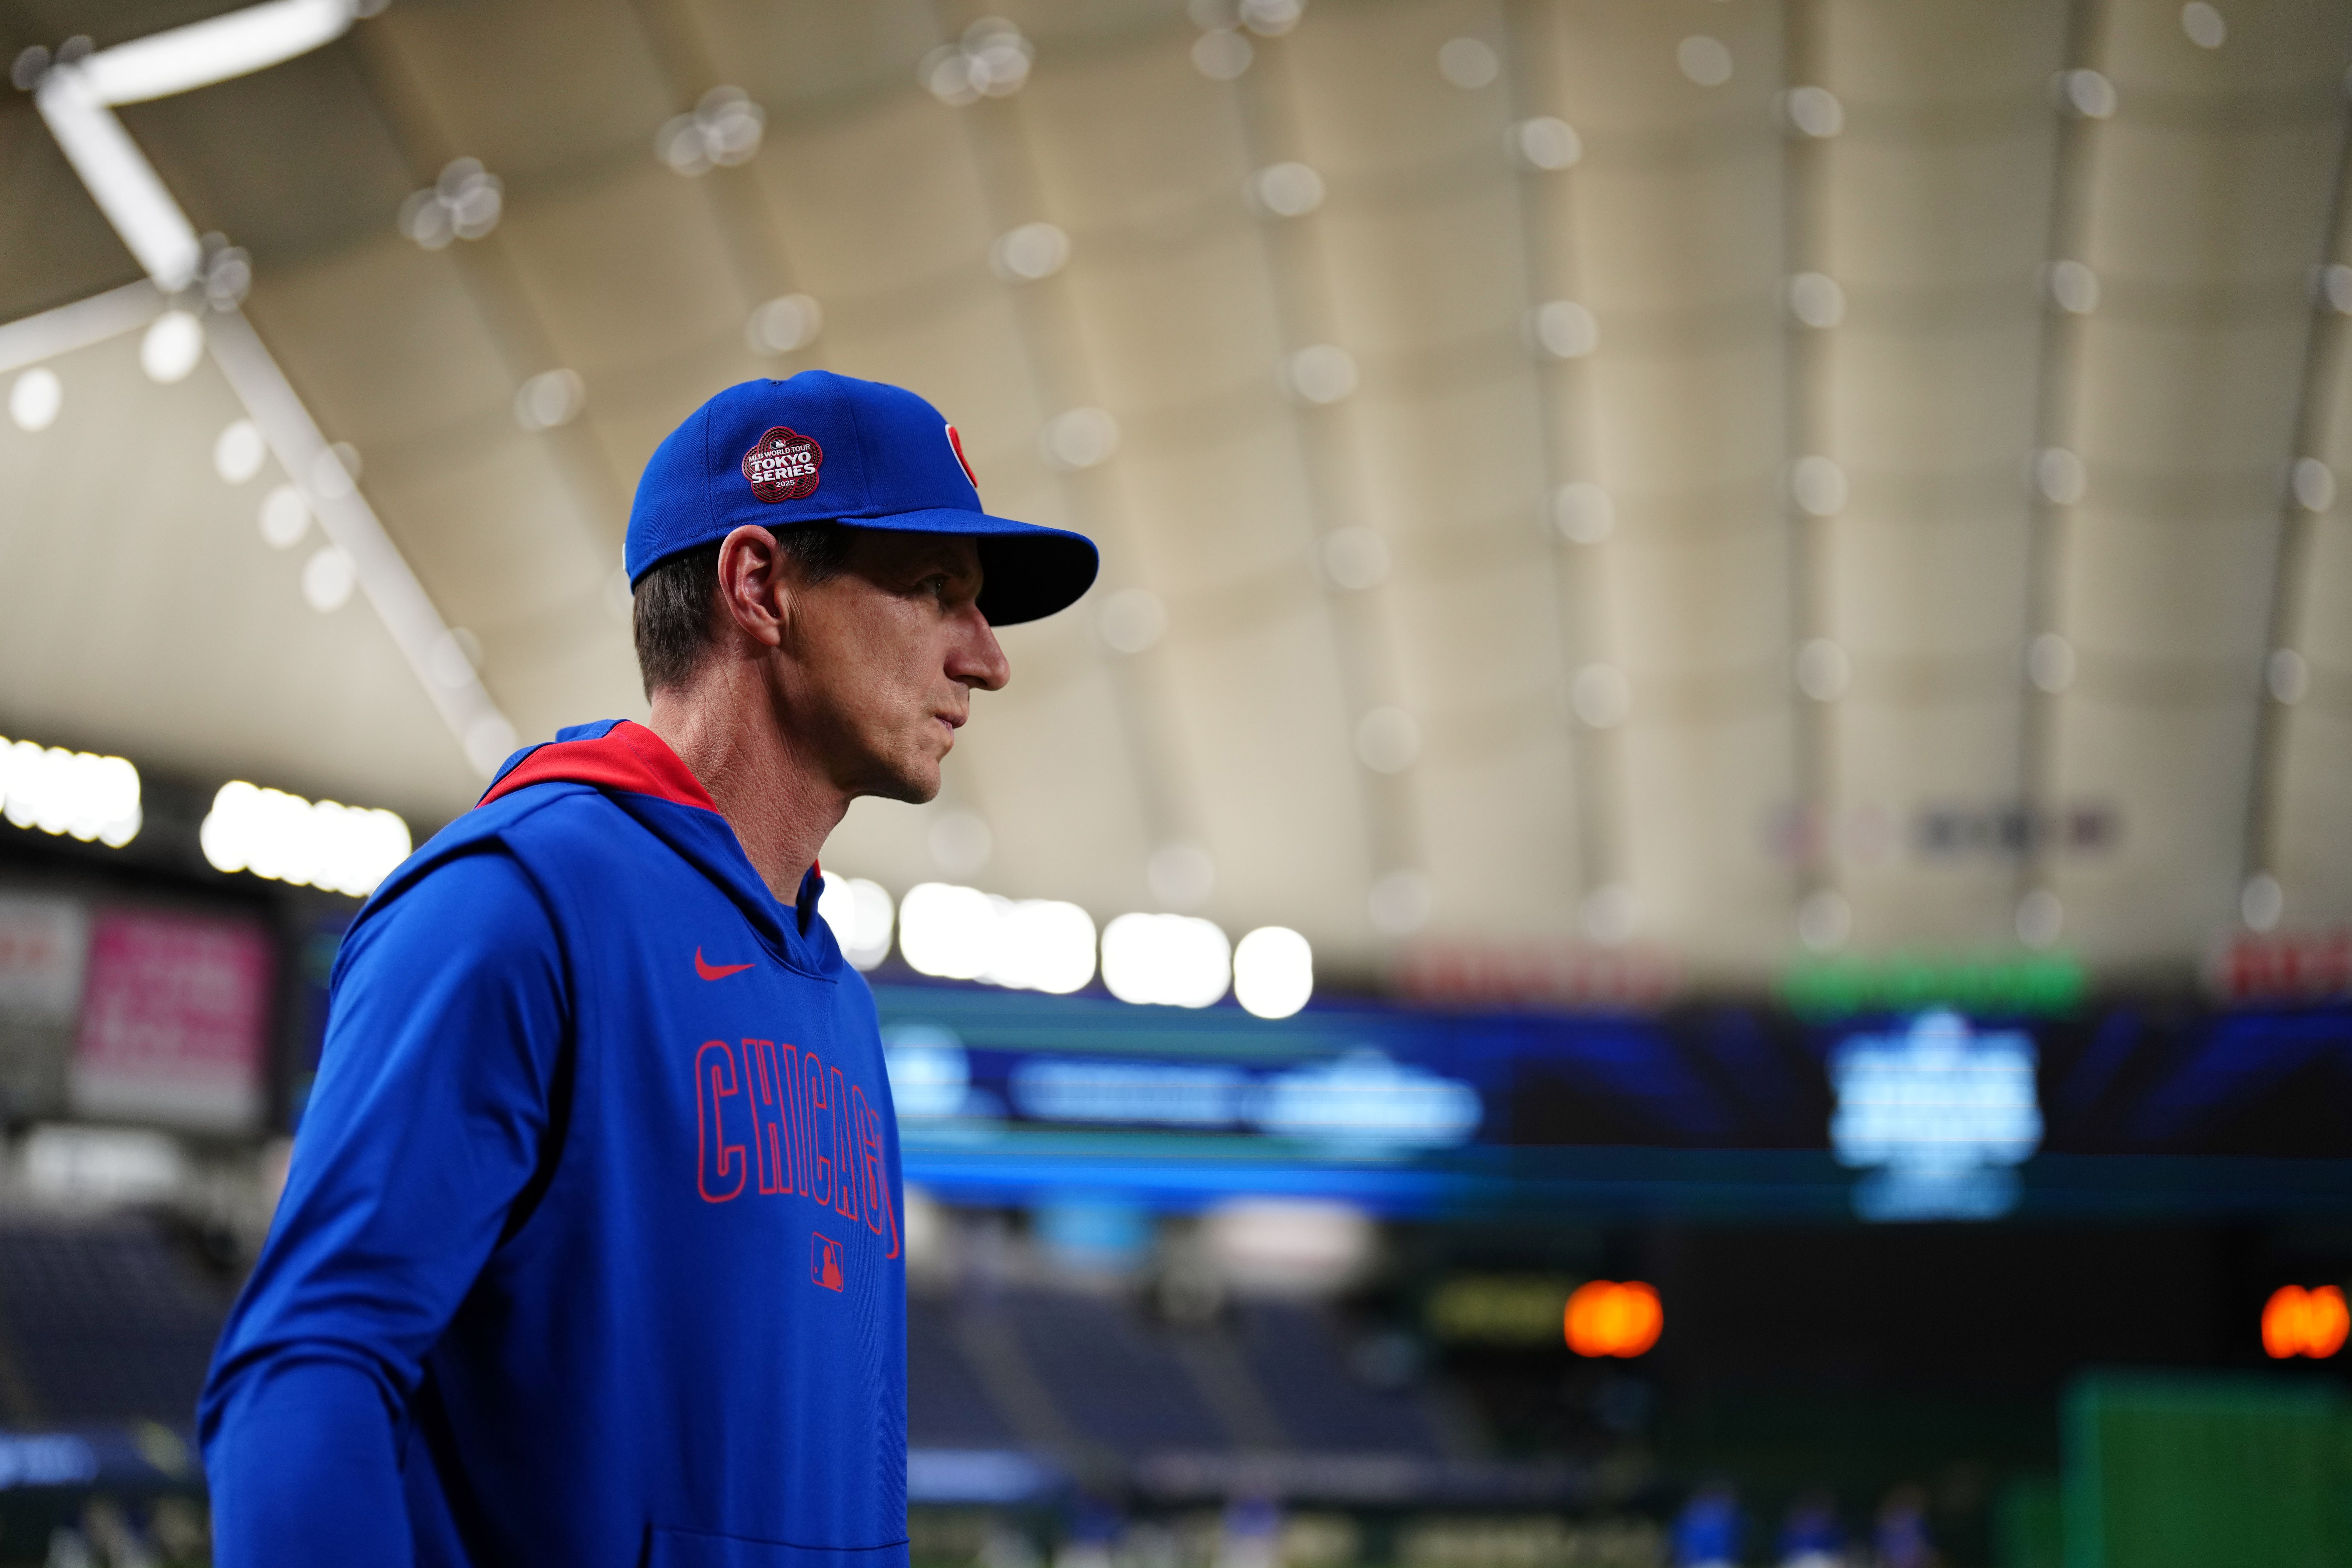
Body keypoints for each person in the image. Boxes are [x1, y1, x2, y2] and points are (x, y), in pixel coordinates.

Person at [198, 371, 1098, 1566]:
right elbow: (302, 1378)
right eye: (937, 591)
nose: (986, 660)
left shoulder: (834, 992)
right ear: (760, 586)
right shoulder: (509, 906)